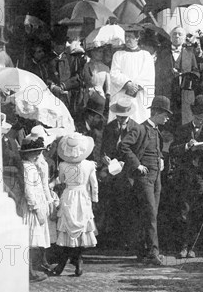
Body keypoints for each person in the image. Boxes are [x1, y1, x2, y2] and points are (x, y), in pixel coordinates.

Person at [169, 95, 203, 258]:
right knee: (183, 213)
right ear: (193, 115)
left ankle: (194, 247)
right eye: (198, 118)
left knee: (199, 213)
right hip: (185, 178)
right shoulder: (182, 130)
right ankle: (183, 246)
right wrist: (186, 146)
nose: (200, 121)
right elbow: (173, 150)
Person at [120, 95, 172, 265]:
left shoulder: (157, 131)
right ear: (156, 112)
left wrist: (161, 159)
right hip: (144, 179)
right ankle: (153, 252)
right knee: (150, 214)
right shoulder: (140, 129)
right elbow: (124, 146)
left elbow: (157, 150)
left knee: (151, 214)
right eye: (165, 114)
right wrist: (137, 165)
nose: (167, 117)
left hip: (157, 178)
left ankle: (143, 251)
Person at [52, 133, 99, 277]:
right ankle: (78, 260)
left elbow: (61, 179)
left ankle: (63, 262)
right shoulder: (89, 165)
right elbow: (94, 184)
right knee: (81, 227)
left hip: (69, 195)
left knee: (67, 227)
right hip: (83, 196)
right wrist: (94, 199)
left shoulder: (63, 165)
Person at [100, 97, 141, 249]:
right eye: (119, 116)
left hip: (128, 174)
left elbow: (137, 153)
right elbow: (103, 149)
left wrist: (127, 163)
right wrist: (105, 158)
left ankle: (128, 241)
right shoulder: (109, 128)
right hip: (112, 172)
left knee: (128, 207)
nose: (121, 119)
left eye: (124, 117)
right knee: (112, 205)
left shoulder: (136, 128)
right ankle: (114, 240)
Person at [17, 135, 51, 282]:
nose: (38, 155)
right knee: (30, 240)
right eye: (35, 152)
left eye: (39, 152)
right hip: (31, 208)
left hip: (36, 204)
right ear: (27, 153)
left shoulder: (32, 166)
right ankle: (29, 271)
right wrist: (36, 208)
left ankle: (30, 270)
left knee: (33, 241)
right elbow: (29, 190)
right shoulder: (27, 168)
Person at [155, 26, 200, 128]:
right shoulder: (163, 54)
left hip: (184, 94)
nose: (177, 36)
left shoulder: (190, 54)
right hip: (168, 93)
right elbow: (157, 73)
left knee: (184, 123)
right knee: (168, 123)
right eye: (174, 34)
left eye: (180, 34)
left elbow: (196, 72)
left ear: (184, 38)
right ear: (171, 37)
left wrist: (186, 77)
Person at [110, 26, 155, 124]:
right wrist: (127, 84)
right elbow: (114, 74)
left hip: (139, 96)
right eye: (125, 36)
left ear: (137, 37)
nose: (127, 39)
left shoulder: (146, 56)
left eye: (130, 36)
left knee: (138, 121)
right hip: (122, 93)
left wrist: (136, 87)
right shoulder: (118, 55)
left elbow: (148, 76)